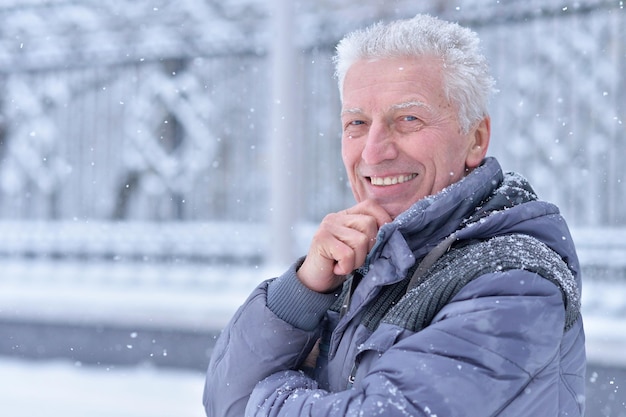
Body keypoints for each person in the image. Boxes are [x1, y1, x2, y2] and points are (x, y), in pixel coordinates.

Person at [203, 14, 586, 417]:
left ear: (475, 138)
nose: (373, 152)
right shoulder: (369, 261)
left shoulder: (513, 281)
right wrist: (303, 291)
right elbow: (224, 400)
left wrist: (265, 396)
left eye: (408, 119)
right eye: (357, 123)